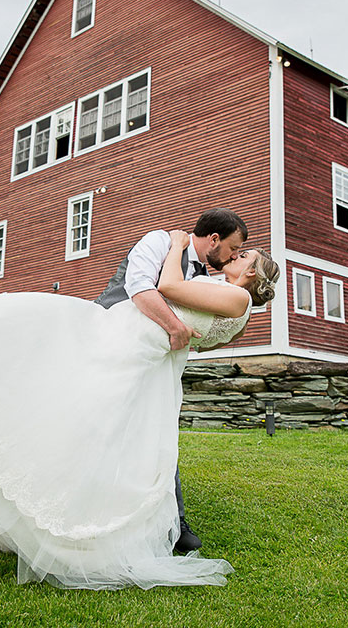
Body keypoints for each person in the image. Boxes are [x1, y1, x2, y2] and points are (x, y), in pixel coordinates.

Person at [0, 228, 280, 590]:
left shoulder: (235, 296)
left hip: (124, 345)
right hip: (140, 354)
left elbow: (170, 287)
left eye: (244, 255)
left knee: (38, 336)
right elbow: (191, 326)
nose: (235, 255)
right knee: (86, 410)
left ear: (251, 274)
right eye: (237, 248)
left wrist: (175, 245)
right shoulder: (229, 297)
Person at [93, 207, 249, 553]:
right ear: (213, 239)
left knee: (156, 434)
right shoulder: (159, 242)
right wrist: (177, 329)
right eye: (233, 248)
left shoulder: (205, 278)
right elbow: (139, 288)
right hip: (108, 344)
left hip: (153, 363)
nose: (234, 256)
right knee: (101, 432)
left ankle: (171, 519)